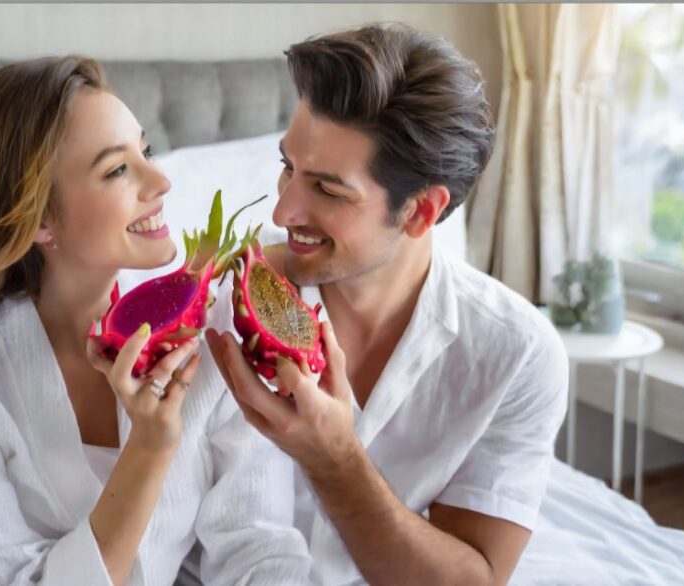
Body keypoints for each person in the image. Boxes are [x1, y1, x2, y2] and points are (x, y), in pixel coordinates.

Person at [0, 56, 311, 586]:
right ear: (41, 218)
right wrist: (150, 447)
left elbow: (260, 546)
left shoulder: (211, 338)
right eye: (117, 169)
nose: (160, 181)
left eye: (147, 151)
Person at [206, 24, 569, 585]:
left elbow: (474, 578)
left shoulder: (517, 353)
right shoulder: (222, 301)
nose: (282, 213)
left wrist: (337, 461)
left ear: (422, 212)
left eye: (327, 190)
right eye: (287, 168)